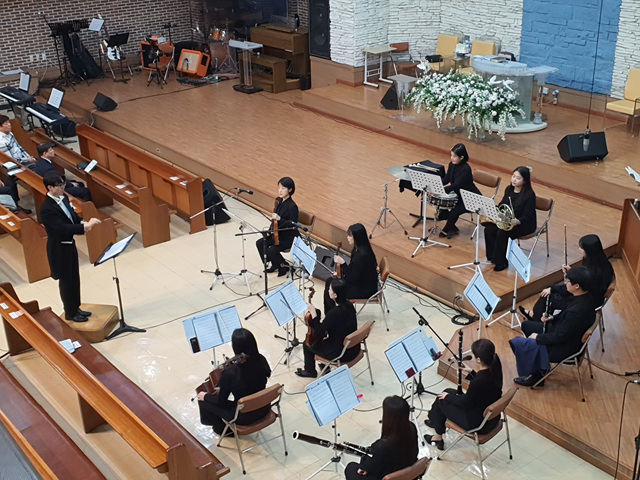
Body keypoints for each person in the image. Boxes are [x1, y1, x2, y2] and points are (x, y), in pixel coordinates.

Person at [512, 266, 596, 387]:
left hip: (565, 348)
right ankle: (539, 364)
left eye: (569, 281)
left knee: (519, 343)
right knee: (526, 325)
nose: (566, 283)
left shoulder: (576, 311)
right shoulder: (586, 297)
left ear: (577, 286)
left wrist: (538, 337)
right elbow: (567, 323)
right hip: (567, 335)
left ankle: (537, 377)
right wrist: (552, 318)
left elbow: (560, 337)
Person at [39, 171, 101, 322]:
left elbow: (72, 216)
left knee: (74, 278)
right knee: (66, 281)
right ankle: (70, 312)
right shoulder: (46, 209)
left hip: (69, 245)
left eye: (63, 185)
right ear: (50, 187)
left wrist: (82, 222)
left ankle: (76, 307)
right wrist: (84, 227)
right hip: (59, 248)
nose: (63, 188)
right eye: (59, 186)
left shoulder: (64, 198)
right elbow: (62, 228)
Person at [424, 338, 503, 450]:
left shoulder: (478, 382)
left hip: (476, 423)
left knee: (442, 399)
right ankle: (436, 421)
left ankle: (437, 437)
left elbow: (465, 403)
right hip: (491, 419)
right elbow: (485, 387)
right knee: (447, 391)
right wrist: (471, 372)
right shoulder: (496, 370)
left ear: (479, 359)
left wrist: (448, 397)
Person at [520, 234, 614, 322]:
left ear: (589, 250)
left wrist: (552, 288)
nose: (579, 249)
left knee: (548, 296)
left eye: (582, 248)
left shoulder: (592, 272)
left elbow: (576, 287)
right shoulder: (602, 263)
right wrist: (572, 272)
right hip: (589, 295)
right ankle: (539, 316)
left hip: (585, 301)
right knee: (551, 292)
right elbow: (582, 280)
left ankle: (537, 319)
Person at [196, 328, 271, 436]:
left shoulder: (230, 373)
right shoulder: (262, 360)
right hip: (263, 408)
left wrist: (205, 396)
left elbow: (221, 401)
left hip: (243, 416)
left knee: (202, 400)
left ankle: (223, 430)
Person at [296, 278, 360, 379]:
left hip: (341, 353)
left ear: (335, 295)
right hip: (354, 348)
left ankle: (310, 371)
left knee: (307, 344)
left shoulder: (334, 313)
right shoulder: (349, 305)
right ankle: (324, 366)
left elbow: (319, 332)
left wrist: (313, 313)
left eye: (330, 289)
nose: (328, 291)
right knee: (324, 340)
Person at [344, 396, 420, 480]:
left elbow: (370, 466)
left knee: (350, 468)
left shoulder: (382, 446)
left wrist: (364, 466)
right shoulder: (412, 427)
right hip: (407, 470)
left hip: (388, 475)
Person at [484, 166, 537, 272]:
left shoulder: (529, 195)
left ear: (525, 181)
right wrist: (493, 210)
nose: (514, 180)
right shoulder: (509, 189)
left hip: (524, 224)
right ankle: (493, 256)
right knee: (489, 229)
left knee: (502, 233)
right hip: (508, 220)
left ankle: (502, 262)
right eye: (513, 176)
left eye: (518, 178)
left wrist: (518, 221)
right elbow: (502, 204)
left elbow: (527, 215)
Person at [324, 223, 378, 314]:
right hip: (360, 282)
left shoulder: (361, 256)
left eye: (350, 236)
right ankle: (331, 313)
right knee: (329, 281)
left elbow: (352, 278)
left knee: (330, 290)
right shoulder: (359, 249)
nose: (347, 238)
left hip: (364, 289)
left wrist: (343, 263)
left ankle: (332, 315)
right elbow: (354, 270)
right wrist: (341, 274)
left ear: (356, 238)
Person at [255, 176, 299, 277]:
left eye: (283, 188)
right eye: (279, 188)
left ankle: (284, 266)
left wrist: (280, 219)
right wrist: (270, 231)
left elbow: (293, 224)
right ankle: (275, 263)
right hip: (277, 233)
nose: (280, 190)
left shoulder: (292, 206)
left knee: (271, 250)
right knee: (260, 243)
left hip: (288, 237)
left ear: (290, 190)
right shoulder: (278, 200)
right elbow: (274, 220)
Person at [438, 143, 481, 239]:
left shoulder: (466, 169)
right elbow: (447, 179)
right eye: (451, 155)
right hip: (460, 195)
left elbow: (457, 185)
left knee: (454, 212)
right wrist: (435, 184)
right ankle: (452, 226)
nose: (451, 158)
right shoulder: (452, 164)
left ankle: (448, 228)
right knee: (441, 206)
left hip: (471, 197)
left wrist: (441, 190)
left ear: (461, 157)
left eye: (454, 156)